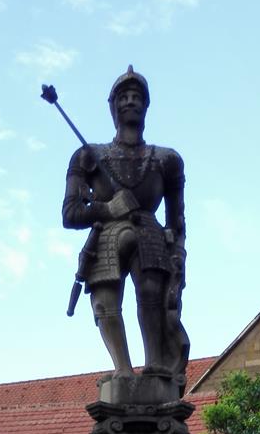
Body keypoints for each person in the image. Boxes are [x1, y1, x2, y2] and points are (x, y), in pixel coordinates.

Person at [62, 67, 188, 384]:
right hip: (105, 235)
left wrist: (178, 257)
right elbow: (70, 213)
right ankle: (122, 368)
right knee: (105, 302)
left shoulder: (167, 160)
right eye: (124, 97)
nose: (130, 102)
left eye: (136, 97)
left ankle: (156, 365)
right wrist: (106, 208)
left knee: (152, 294)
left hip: (149, 233)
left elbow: (177, 221)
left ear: (146, 106)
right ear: (113, 106)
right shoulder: (88, 155)